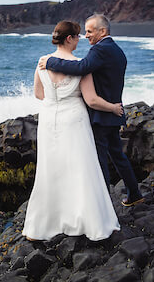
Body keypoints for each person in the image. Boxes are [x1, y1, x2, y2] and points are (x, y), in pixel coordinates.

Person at [22, 20, 121, 241]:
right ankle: (86, 221)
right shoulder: (81, 65)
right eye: (77, 36)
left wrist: (55, 101)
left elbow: (39, 94)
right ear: (69, 39)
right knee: (80, 168)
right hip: (74, 119)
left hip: (49, 119)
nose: (80, 39)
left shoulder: (42, 63)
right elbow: (92, 100)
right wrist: (113, 107)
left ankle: (42, 226)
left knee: (50, 169)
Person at [39, 14, 144, 207]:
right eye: (84, 32)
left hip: (101, 115)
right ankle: (135, 193)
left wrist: (50, 62)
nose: (86, 35)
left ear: (102, 31)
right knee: (118, 156)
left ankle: (102, 203)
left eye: (89, 31)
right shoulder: (117, 50)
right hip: (112, 113)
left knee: (99, 161)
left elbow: (81, 67)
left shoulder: (100, 49)